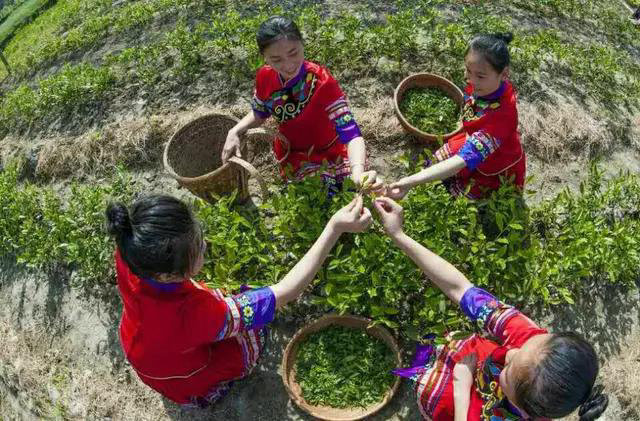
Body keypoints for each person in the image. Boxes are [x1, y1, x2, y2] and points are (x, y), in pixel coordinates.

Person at [106, 194, 371, 407]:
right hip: (180, 369)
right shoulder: (197, 314)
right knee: (252, 335)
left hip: (144, 345)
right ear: (166, 276)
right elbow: (286, 291)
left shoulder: (132, 251)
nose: (206, 245)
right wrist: (335, 228)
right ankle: (208, 389)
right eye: (198, 247)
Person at [373, 196, 609, 420]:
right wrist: (398, 235)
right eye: (525, 346)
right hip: (465, 357)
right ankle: (427, 365)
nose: (512, 352)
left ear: (526, 410)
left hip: (452, 400)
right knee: (437, 348)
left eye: (508, 369)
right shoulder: (528, 339)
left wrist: (461, 389)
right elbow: (460, 288)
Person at [221, 16, 382, 194]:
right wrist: (234, 131)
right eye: (276, 59)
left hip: (330, 151)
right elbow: (260, 112)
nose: (288, 65)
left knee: (350, 188)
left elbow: (351, 134)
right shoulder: (265, 77)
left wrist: (357, 171)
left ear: (302, 44)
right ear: (264, 57)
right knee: (318, 194)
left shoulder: (322, 82)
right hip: (294, 154)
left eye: (293, 53)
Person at [388, 33, 525, 200]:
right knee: (436, 166)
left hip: (493, 163)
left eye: (480, 76)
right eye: (468, 70)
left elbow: (464, 159)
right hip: (471, 139)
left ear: (504, 74)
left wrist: (410, 181)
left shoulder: (503, 116)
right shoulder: (486, 88)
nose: (471, 80)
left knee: (463, 199)